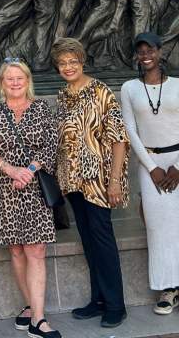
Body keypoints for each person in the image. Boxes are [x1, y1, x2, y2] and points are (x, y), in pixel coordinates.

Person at [120, 32, 179, 316]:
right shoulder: (130, 88)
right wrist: (152, 167)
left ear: (159, 51)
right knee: (157, 228)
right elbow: (130, 131)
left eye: (150, 49)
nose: (145, 54)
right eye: (140, 50)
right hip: (151, 164)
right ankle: (166, 288)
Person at [0, 59, 60, 338]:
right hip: (5, 188)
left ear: (28, 81)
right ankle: (30, 305)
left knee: (36, 249)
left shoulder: (41, 109)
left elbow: (52, 145)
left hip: (35, 188)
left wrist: (28, 171)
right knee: (16, 249)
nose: (15, 83)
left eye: (19, 78)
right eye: (9, 79)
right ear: (2, 83)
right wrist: (10, 169)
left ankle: (38, 319)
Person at [53, 37, 129, 329]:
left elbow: (119, 138)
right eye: (63, 63)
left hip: (98, 181)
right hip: (72, 181)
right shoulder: (63, 96)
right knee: (88, 241)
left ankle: (115, 305)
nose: (68, 67)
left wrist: (114, 182)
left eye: (73, 61)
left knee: (102, 240)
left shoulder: (101, 92)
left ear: (82, 61)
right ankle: (98, 299)